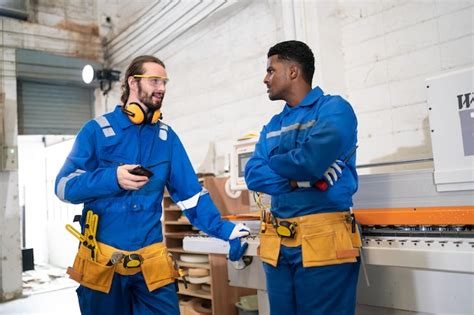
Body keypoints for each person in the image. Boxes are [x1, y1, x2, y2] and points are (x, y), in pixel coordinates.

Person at [55, 55, 250, 315]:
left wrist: (225, 230)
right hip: (102, 265)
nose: (162, 88)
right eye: (155, 80)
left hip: (152, 262)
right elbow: (63, 186)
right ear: (132, 83)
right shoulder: (96, 131)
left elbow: (191, 196)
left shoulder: (166, 138)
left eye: (165, 82)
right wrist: (112, 178)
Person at [245, 40, 360, 315]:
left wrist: (279, 164)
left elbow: (311, 161)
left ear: (293, 72)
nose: (265, 78)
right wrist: (297, 180)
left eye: (271, 70)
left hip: (324, 242)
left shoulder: (334, 109)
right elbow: (252, 174)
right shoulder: (273, 125)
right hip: (279, 245)